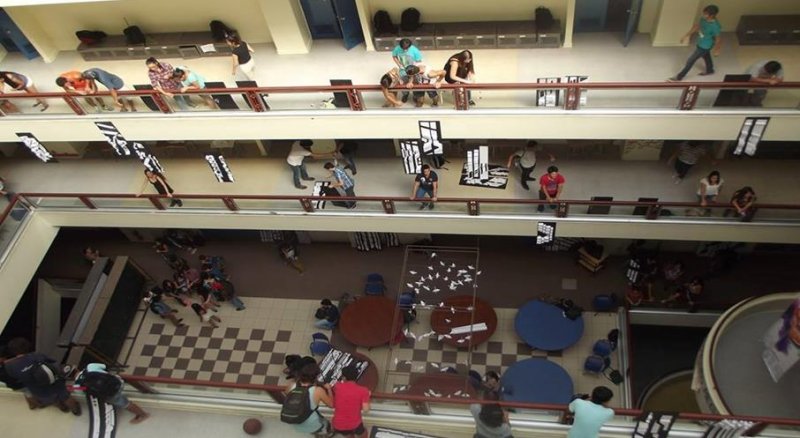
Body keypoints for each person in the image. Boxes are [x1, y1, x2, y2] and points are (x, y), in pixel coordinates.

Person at [2, 337, 82, 415]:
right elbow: (54, 363)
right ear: (27, 346)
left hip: (38, 390)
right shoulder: (37, 356)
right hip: (54, 383)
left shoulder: (9, 366)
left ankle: (62, 407)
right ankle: (75, 410)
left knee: (52, 400)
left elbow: (15, 377)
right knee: (66, 397)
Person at [77, 363, 149, 424]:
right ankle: (146, 390)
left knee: (126, 404)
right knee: (126, 377)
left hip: (111, 395)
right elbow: (106, 367)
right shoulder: (90, 366)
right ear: (76, 369)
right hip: (118, 383)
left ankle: (143, 415)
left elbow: (83, 392)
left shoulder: (76, 385)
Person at [668, 5, 721, 81]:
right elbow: (696, 27)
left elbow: (718, 39)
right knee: (706, 56)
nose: (704, 15)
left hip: (705, 46)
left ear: (712, 15)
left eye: (706, 14)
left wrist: (717, 50)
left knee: (691, 60)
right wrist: (686, 35)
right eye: (704, 13)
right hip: (700, 42)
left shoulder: (716, 26)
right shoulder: (703, 19)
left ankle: (679, 77)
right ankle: (710, 70)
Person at [285, 363, 334, 438]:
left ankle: (317, 434)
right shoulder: (317, 390)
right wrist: (329, 389)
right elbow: (331, 404)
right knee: (324, 427)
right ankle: (326, 434)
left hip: (296, 422)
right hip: (312, 422)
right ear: (315, 377)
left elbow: (288, 396)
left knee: (314, 430)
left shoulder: (291, 385)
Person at [332, 365, 371, 438]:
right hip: (355, 425)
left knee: (348, 435)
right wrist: (367, 396)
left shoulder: (337, 386)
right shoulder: (363, 390)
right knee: (364, 432)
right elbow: (366, 409)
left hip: (338, 425)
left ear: (344, 377)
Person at [391, 39, 423, 103]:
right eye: (403, 48)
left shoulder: (415, 50)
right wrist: (399, 64)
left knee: (414, 83)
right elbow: (394, 56)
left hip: (413, 70)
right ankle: (405, 94)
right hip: (403, 69)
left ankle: (415, 95)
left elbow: (419, 61)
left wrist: (413, 67)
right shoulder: (397, 49)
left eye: (406, 49)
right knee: (403, 83)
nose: (405, 50)